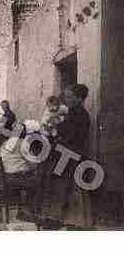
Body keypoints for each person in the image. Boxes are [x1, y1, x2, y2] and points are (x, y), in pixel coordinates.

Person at [56, 84, 92, 229]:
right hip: (69, 152)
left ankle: (78, 222)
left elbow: (72, 135)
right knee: (69, 187)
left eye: (70, 97)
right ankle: (69, 219)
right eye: (67, 97)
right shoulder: (72, 111)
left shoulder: (81, 115)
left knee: (75, 188)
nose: (67, 100)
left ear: (79, 98)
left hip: (74, 154)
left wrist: (59, 129)